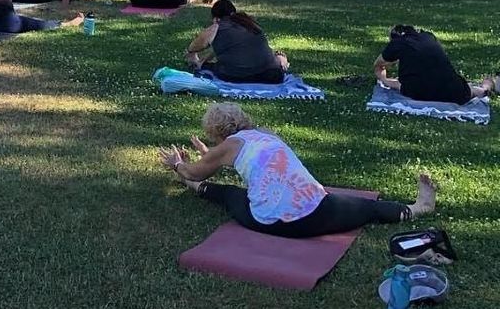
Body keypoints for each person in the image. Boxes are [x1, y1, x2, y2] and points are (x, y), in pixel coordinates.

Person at [159, 102, 437, 238]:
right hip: (317, 211)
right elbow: (252, 162)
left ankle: (185, 186)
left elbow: (196, 171)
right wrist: (212, 157)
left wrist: (177, 165)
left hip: (272, 222)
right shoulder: (266, 134)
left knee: (230, 195)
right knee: (367, 208)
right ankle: (419, 207)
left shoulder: (227, 147)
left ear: (215, 132)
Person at [374, 25, 494, 104]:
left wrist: (382, 77)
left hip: (418, 92)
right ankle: (485, 88)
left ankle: (386, 81)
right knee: (472, 90)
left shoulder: (397, 44)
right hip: (453, 91)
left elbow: (378, 64)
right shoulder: (428, 37)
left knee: (398, 84)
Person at [186, 0, 289, 84]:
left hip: (237, 76)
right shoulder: (249, 23)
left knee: (211, 67)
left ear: (216, 18)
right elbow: (232, 46)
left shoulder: (217, 27)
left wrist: (191, 53)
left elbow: (199, 43)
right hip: (272, 75)